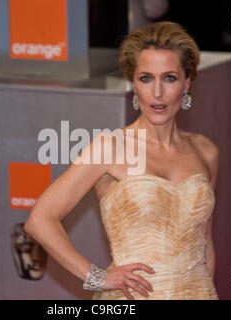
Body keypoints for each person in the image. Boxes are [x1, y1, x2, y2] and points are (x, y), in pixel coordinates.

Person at [24, 21, 219, 300]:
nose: (158, 92)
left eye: (170, 78)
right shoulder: (109, 147)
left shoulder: (206, 151)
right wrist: (96, 277)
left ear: (187, 83)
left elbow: (205, 246)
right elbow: (40, 220)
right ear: (134, 84)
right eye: (146, 78)